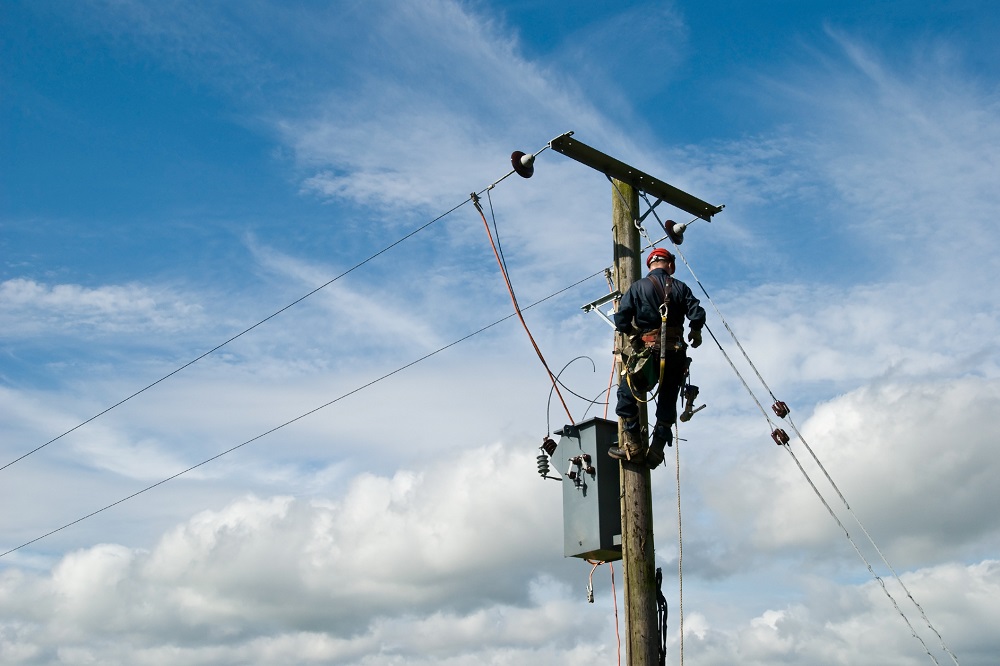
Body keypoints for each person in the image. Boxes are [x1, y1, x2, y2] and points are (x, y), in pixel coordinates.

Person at [609, 247, 705, 469]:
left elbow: (622, 319)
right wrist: (695, 331)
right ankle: (657, 449)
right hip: (675, 354)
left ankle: (632, 445)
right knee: (668, 400)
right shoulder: (681, 288)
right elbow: (696, 312)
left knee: (627, 394)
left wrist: (632, 333)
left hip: (648, 354)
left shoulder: (637, 288)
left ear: (650, 266)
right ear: (670, 265)